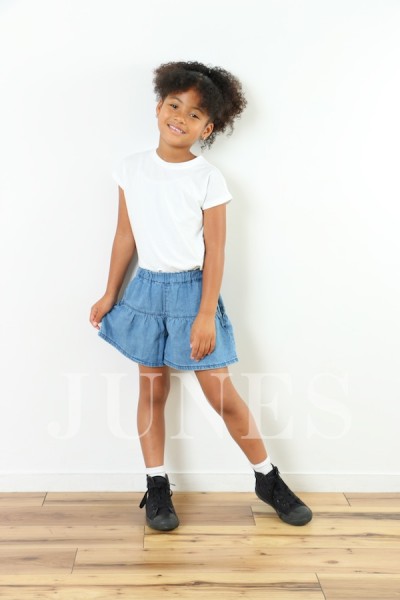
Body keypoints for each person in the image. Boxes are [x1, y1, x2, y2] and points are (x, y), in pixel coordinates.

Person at [89, 61, 312, 531]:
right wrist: (110, 294)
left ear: (207, 128)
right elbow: (125, 236)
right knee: (152, 390)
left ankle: (267, 478)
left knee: (221, 394)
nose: (180, 118)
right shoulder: (131, 169)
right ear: (158, 107)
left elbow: (216, 249)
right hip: (146, 290)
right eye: (174, 106)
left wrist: (206, 313)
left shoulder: (208, 178)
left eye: (194, 114)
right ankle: (156, 486)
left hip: (193, 292)